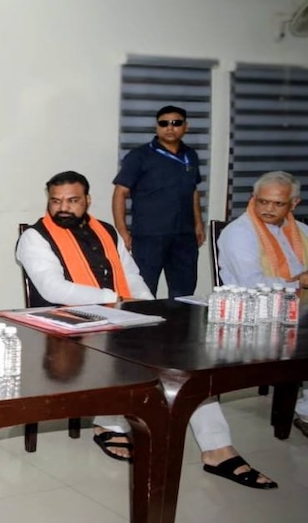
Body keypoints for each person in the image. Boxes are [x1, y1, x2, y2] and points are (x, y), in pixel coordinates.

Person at [17, 171, 277, 489]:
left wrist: (147, 307)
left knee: (186, 361)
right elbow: (53, 288)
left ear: (88, 200)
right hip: (68, 325)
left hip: (118, 316)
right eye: (56, 201)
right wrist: (116, 299)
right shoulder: (34, 237)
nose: (63, 208)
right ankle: (110, 422)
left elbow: (131, 274)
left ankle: (218, 447)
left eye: (72, 200)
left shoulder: (106, 230)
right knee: (146, 356)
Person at [217, 170, 308, 438]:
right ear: (253, 198)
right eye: (263, 201)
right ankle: (305, 412)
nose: (268, 209)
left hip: (299, 308)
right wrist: (299, 282)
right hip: (257, 311)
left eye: (278, 204)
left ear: (294, 204)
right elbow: (252, 285)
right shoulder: (240, 233)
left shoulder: (301, 231)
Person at [112, 105, 205, 297]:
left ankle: (180, 319)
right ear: (157, 127)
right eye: (164, 123)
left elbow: (193, 191)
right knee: (143, 292)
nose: (170, 128)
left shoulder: (190, 156)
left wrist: (198, 224)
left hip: (184, 237)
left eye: (176, 123)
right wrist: (122, 231)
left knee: (184, 293)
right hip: (149, 237)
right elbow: (120, 193)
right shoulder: (139, 156)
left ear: (186, 126)